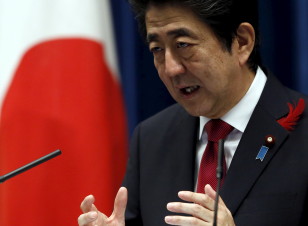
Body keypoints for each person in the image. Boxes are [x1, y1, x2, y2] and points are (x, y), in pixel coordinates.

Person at [78, 0, 308, 225]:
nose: (171, 69)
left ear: (241, 42)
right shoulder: (151, 138)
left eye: (183, 45)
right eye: (157, 49)